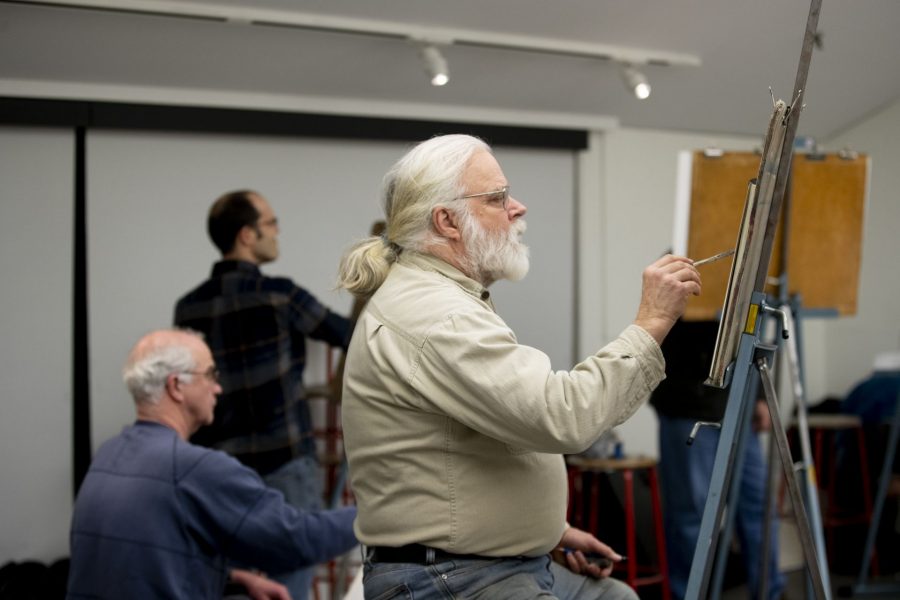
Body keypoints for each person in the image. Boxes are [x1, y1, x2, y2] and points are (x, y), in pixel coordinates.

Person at [336, 134, 702, 599]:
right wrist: (652, 321)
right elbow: (562, 416)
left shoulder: (439, 298)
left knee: (616, 596)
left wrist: (542, 532)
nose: (518, 208)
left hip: (483, 564)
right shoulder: (437, 315)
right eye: (497, 198)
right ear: (447, 221)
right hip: (447, 579)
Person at [66, 329, 357, 600]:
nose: (218, 388)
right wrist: (374, 513)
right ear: (176, 386)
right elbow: (297, 541)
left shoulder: (110, 455)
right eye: (210, 374)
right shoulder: (192, 470)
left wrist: (231, 577)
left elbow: (141, 561)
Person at [174, 190, 353, 599]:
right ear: (246, 235)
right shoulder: (281, 294)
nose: (277, 232)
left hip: (218, 468)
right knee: (291, 576)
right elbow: (349, 335)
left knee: (233, 581)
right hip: (285, 462)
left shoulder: (188, 308)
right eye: (271, 224)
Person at [650, 318, 784, 600]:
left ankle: (769, 591)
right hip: (688, 403)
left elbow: (749, 333)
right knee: (691, 513)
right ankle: (689, 594)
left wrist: (759, 395)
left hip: (738, 406)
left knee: (757, 506)